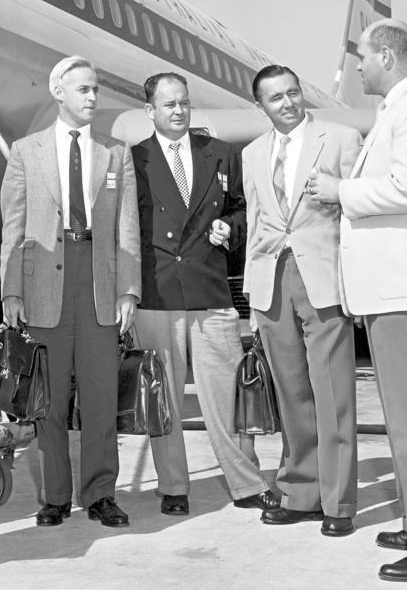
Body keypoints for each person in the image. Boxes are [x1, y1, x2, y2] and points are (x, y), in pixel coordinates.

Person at [309, 19, 407, 582]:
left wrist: (340, 191)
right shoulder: (396, 112)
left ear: (386, 56)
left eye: (362, 56)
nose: (358, 66)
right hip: (391, 290)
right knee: (405, 420)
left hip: (406, 289)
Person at [0, 56, 141, 528]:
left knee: (101, 398)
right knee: (49, 399)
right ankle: (56, 496)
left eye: (96, 88)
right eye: (83, 89)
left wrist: (128, 290)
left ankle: (101, 494)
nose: (93, 97)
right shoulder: (26, 151)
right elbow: (14, 225)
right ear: (58, 92)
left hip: (99, 282)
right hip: (44, 284)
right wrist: (12, 290)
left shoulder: (116, 153)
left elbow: (127, 228)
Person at [131, 72, 278, 517]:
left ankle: (246, 482)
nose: (179, 111)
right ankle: (173, 486)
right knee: (165, 398)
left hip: (210, 291)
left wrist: (229, 228)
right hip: (158, 294)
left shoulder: (221, 153)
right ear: (150, 111)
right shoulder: (133, 160)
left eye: (184, 103)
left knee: (228, 395)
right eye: (169, 104)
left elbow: (241, 208)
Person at [241, 65, 361, 537]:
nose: (288, 103)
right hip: (272, 283)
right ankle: (300, 493)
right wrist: (253, 298)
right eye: (276, 98)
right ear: (261, 106)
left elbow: (357, 214)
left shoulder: (341, 138)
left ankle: (338, 502)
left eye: (293, 93)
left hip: (323, 280)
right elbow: (257, 225)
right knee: (291, 396)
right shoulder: (252, 154)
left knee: (333, 395)